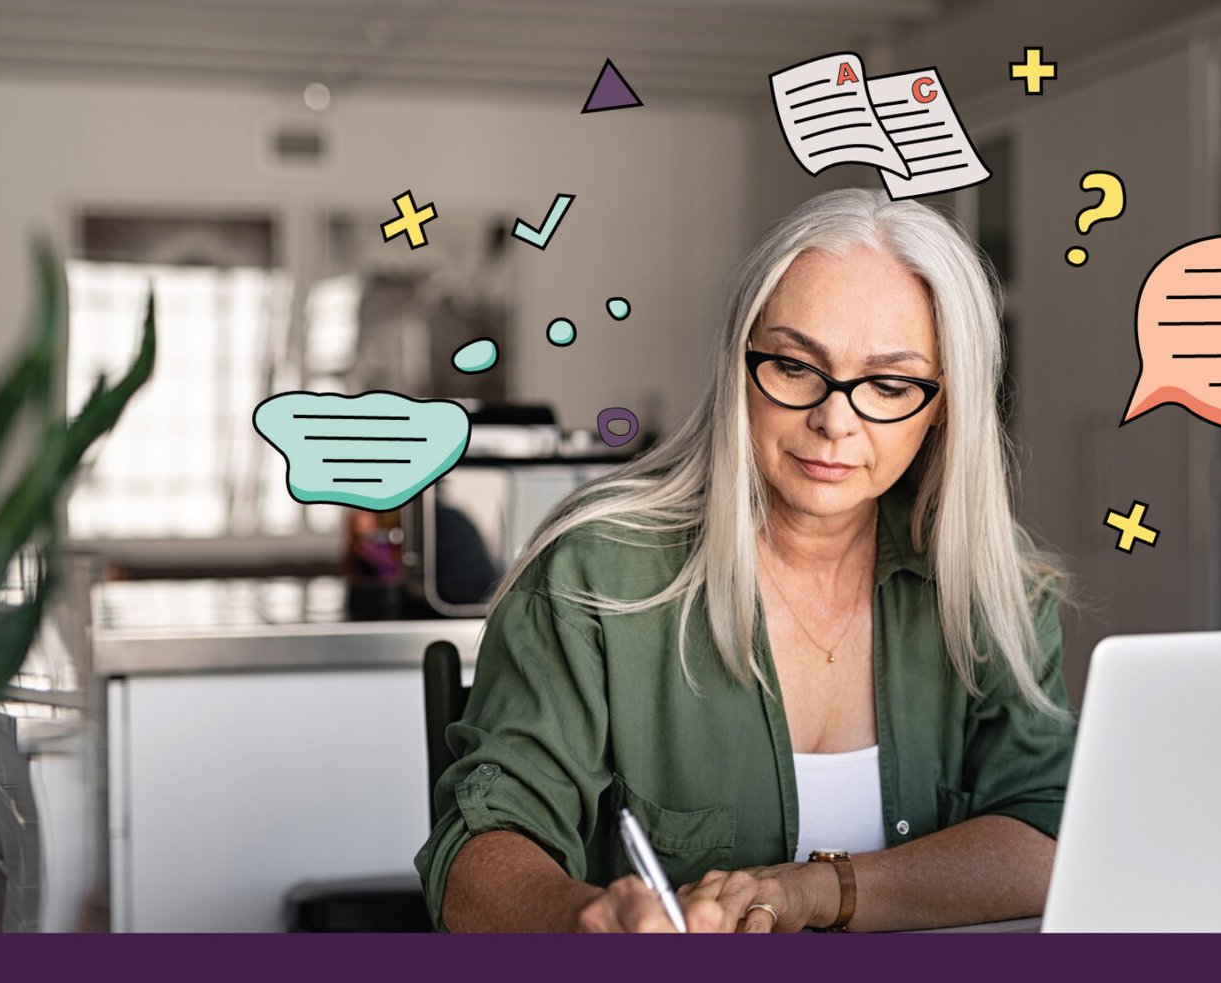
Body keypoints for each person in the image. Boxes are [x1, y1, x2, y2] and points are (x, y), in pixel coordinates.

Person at [416, 189, 1074, 933]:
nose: (834, 420)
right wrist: (583, 920)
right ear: (740, 363)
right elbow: (474, 854)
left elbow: (1049, 834)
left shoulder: (995, 589)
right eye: (794, 367)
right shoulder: (594, 573)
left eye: (889, 384)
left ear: (944, 402)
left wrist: (811, 890)